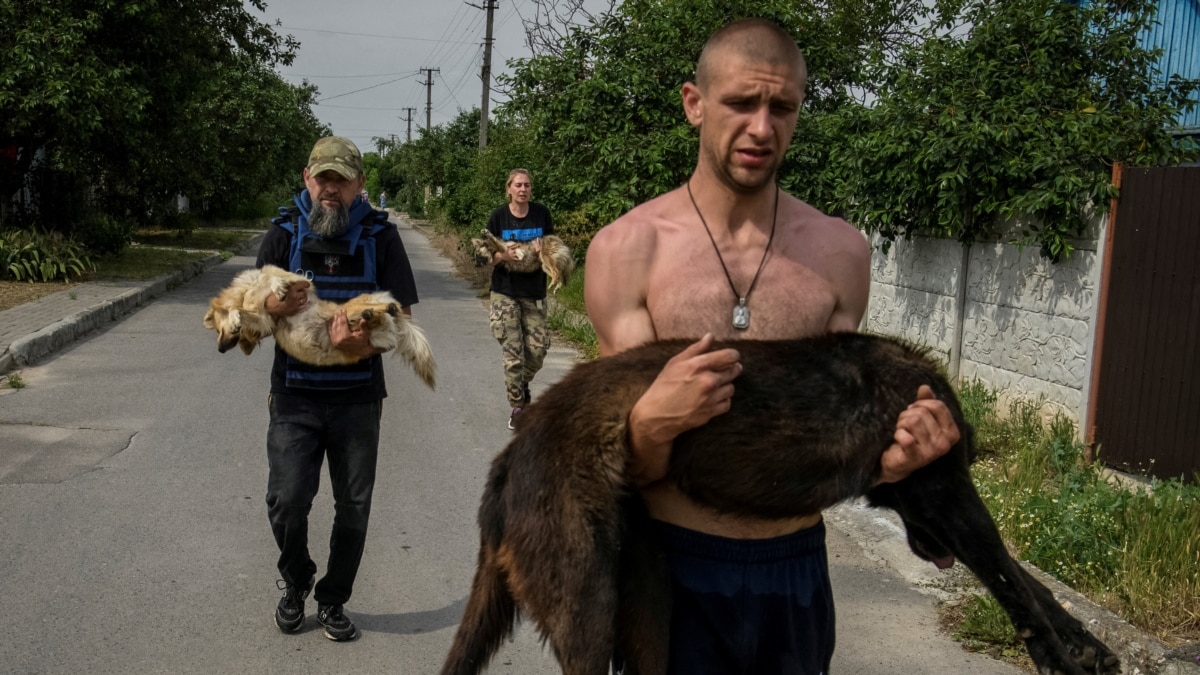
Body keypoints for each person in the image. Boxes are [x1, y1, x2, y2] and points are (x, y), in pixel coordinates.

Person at [583, 19, 961, 674]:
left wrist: (894, 467)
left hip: (797, 573)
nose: (762, 128)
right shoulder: (627, 251)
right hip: (670, 571)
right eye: (741, 103)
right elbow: (619, 469)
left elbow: (830, 444)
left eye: (781, 107)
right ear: (693, 103)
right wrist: (646, 423)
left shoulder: (840, 254)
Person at [256, 136, 419, 642]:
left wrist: (361, 342)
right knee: (286, 500)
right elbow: (246, 315)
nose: (331, 188)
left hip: (357, 400)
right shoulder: (282, 235)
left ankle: (332, 599)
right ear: (307, 178)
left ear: (359, 184)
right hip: (294, 396)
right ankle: (297, 577)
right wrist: (272, 311)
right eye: (322, 178)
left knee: (353, 506)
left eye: (341, 179)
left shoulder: (381, 237)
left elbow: (403, 319)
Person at [485, 168, 554, 429]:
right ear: (509, 189)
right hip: (505, 291)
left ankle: (520, 383)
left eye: (526, 185)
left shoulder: (541, 214)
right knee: (513, 354)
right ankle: (518, 406)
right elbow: (485, 257)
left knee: (537, 352)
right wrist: (504, 256)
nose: (523, 189)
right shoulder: (498, 218)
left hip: (534, 292)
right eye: (518, 185)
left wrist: (542, 250)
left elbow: (552, 248)